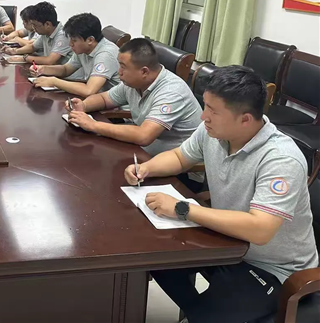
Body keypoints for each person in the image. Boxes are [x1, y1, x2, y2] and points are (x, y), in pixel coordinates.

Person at [124, 66, 318, 323]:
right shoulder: (213, 131)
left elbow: (260, 229)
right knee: (153, 258)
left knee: (210, 312)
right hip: (224, 243)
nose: (203, 116)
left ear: (245, 119)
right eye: (206, 106)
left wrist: (183, 208)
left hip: (272, 268)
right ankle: (199, 312)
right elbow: (180, 157)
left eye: (213, 111)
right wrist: (146, 168)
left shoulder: (281, 159)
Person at [67, 38, 202, 156]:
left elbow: (144, 136)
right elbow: (104, 99)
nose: (119, 72)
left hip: (177, 164)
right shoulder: (133, 83)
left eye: (123, 67)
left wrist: (93, 125)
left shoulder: (171, 92)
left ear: (144, 71)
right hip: (143, 151)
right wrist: (84, 105)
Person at [31, 13, 120, 96]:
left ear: (90, 40)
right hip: (98, 97)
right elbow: (66, 70)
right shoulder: (84, 49)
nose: (70, 44)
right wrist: (43, 69)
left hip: (115, 105)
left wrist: (54, 82)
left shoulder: (105, 54)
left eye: (74, 40)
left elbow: (89, 90)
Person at [1, 2, 71, 65]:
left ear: (47, 24)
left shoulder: (62, 35)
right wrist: (14, 51)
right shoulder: (45, 33)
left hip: (65, 74)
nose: (33, 28)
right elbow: (32, 47)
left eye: (35, 25)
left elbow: (50, 60)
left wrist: (25, 58)